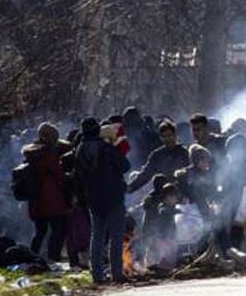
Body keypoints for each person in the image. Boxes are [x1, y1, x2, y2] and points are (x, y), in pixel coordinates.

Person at [75, 117, 131, 284]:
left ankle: (97, 275)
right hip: (113, 196)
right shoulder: (107, 148)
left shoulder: (79, 150)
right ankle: (117, 273)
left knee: (97, 237)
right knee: (116, 237)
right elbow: (125, 166)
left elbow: (78, 177)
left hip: (93, 198)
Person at [23, 123, 70, 261]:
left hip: (35, 199)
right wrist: (72, 176)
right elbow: (59, 175)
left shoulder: (31, 152)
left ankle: (31, 258)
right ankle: (53, 258)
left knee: (40, 232)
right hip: (51, 198)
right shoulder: (48, 154)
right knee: (58, 230)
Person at [127, 121, 189, 193]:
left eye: (169, 135)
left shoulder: (184, 152)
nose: (167, 139)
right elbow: (146, 174)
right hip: (163, 193)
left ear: (175, 135)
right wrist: (131, 187)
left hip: (182, 192)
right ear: (160, 137)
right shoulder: (157, 155)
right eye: (164, 136)